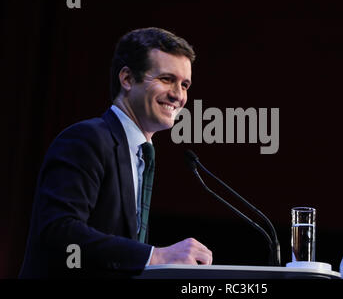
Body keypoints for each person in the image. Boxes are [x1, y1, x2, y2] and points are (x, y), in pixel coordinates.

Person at [19, 27, 213, 278]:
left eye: (184, 84)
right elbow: (59, 230)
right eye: (167, 79)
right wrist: (154, 256)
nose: (178, 95)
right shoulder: (86, 139)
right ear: (128, 79)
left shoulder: (140, 154)